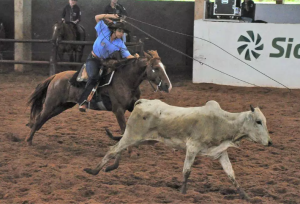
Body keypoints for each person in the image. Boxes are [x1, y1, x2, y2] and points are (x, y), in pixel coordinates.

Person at [78, 14, 139, 112]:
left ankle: (103, 99)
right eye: (119, 31)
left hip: (105, 61)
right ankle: (83, 101)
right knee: (94, 76)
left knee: (113, 78)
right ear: (114, 30)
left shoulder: (120, 43)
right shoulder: (104, 30)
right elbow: (97, 17)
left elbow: (127, 56)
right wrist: (112, 16)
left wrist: (135, 57)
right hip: (93, 59)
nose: (121, 33)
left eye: (122, 32)